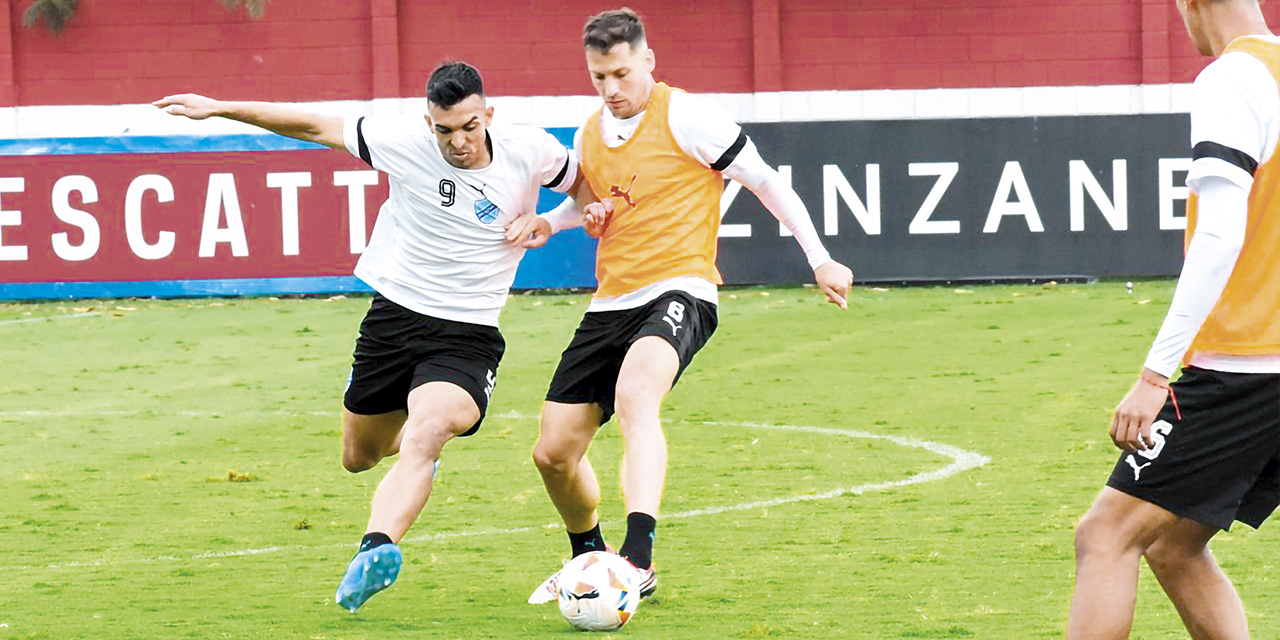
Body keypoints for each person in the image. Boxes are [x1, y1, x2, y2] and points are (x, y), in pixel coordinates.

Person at [156, 61, 588, 613]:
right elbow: (312, 126)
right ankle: (413, 457)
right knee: (358, 457)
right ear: (427, 122)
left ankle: (376, 547)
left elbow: (585, 188)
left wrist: (552, 221)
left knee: (427, 431)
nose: (457, 141)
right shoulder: (401, 139)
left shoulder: (531, 149)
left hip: (468, 333)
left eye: (469, 126)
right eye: (444, 129)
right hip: (393, 320)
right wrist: (220, 106)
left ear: (489, 115)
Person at [527, 8, 855, 605]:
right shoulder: (589, 132)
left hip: (682, 288)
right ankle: (590, 561)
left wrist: (820, 258)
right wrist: (558, 221)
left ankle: (637, 559)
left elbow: (766, 181)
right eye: (599, 77)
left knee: (635, 396)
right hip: (611, 301)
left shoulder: (688, 114)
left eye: (622, 74)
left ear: (647, 60)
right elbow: (596, 206)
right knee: (553, 452)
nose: (612, 89)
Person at [1065, 1, 1278, 638]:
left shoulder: (1232, 78)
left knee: (1105, 535)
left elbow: (1218, 235)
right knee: (1175, 547)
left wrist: (1155, 375)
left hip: (1248, 366)